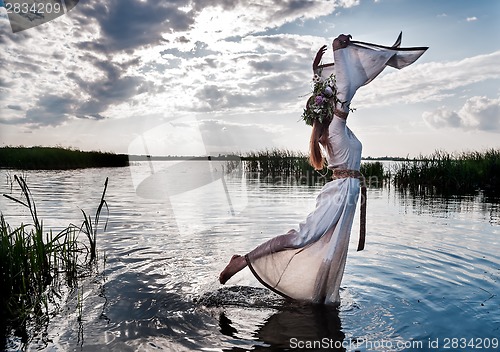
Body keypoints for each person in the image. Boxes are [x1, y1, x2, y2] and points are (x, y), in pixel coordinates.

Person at [219, 33, 427, 305]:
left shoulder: (335, 130)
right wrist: (338, 51)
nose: (338, 104)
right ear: (331, 110)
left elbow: (329, 93)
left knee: (332, 246)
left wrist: (315, 75)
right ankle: (242, 261)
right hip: (341, 191)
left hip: (347, 192)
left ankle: (319, 294)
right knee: (304, 236)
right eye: (333, 103)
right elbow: (342, 91)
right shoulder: (336, 128)